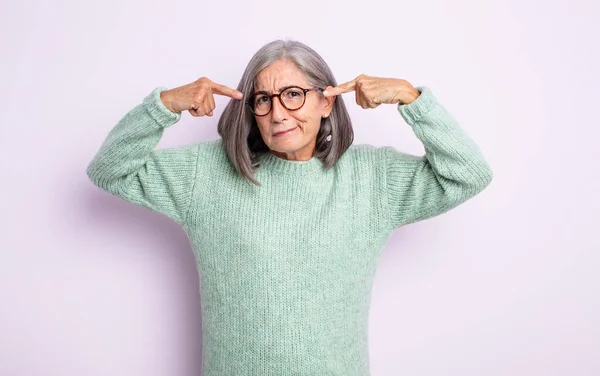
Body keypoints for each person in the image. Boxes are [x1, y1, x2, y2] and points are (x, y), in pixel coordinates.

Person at [86, 39, 493, 375]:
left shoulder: (373, 179)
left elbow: (467, 174)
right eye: (263, 99)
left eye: (293, 95)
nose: (278, 113)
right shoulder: (205, 173)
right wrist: (163, 105)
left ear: (326, 101)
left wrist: (411, 98)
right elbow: (110, 171)